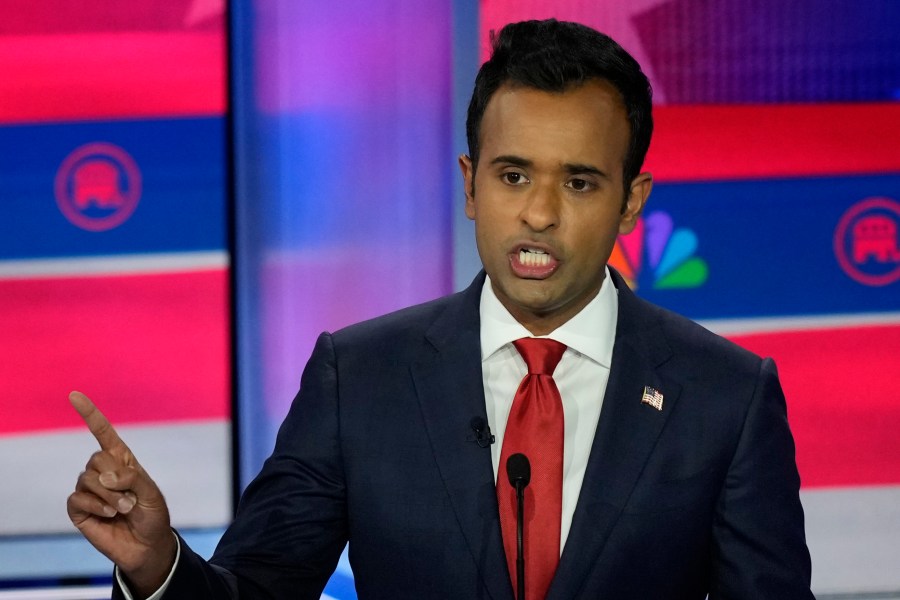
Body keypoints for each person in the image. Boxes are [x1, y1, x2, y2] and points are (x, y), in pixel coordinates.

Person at [68, 19, 814, 599]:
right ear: (470, 184)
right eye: (513, 175)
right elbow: (257, 593)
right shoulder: (357, 378)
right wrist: (157, 565)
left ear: (631, 204)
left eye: (581, 183)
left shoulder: (726, 396)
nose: (540, 214)